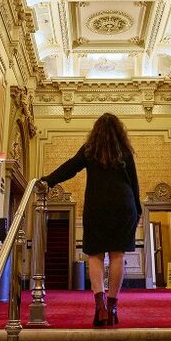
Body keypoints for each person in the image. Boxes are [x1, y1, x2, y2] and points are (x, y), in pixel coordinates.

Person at [41, 113, 142, 327]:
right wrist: (138, 210)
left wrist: (48, 181)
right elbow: (134, 183)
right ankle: (113, 307)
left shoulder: (90, 149)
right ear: (119, 130)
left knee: (95, 255)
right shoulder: (124, 151)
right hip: (124, 206)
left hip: (97, 207)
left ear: (95, 131)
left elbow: (70, 167)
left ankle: (100, 307)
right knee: (117, 255)